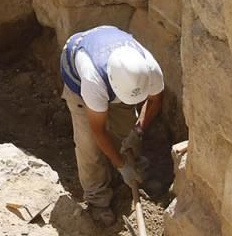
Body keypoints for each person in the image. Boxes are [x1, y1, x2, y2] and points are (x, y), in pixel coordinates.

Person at [60, 25, 164, 225]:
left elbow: (155, 101)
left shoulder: (149, 69)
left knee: (126, 134)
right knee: (89, 146)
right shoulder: (93, 79)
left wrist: (138, 130)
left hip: (112, 66)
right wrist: (122, 165)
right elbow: (97, 131)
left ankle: (137, 176)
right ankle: (97, 199)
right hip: (77, 75)